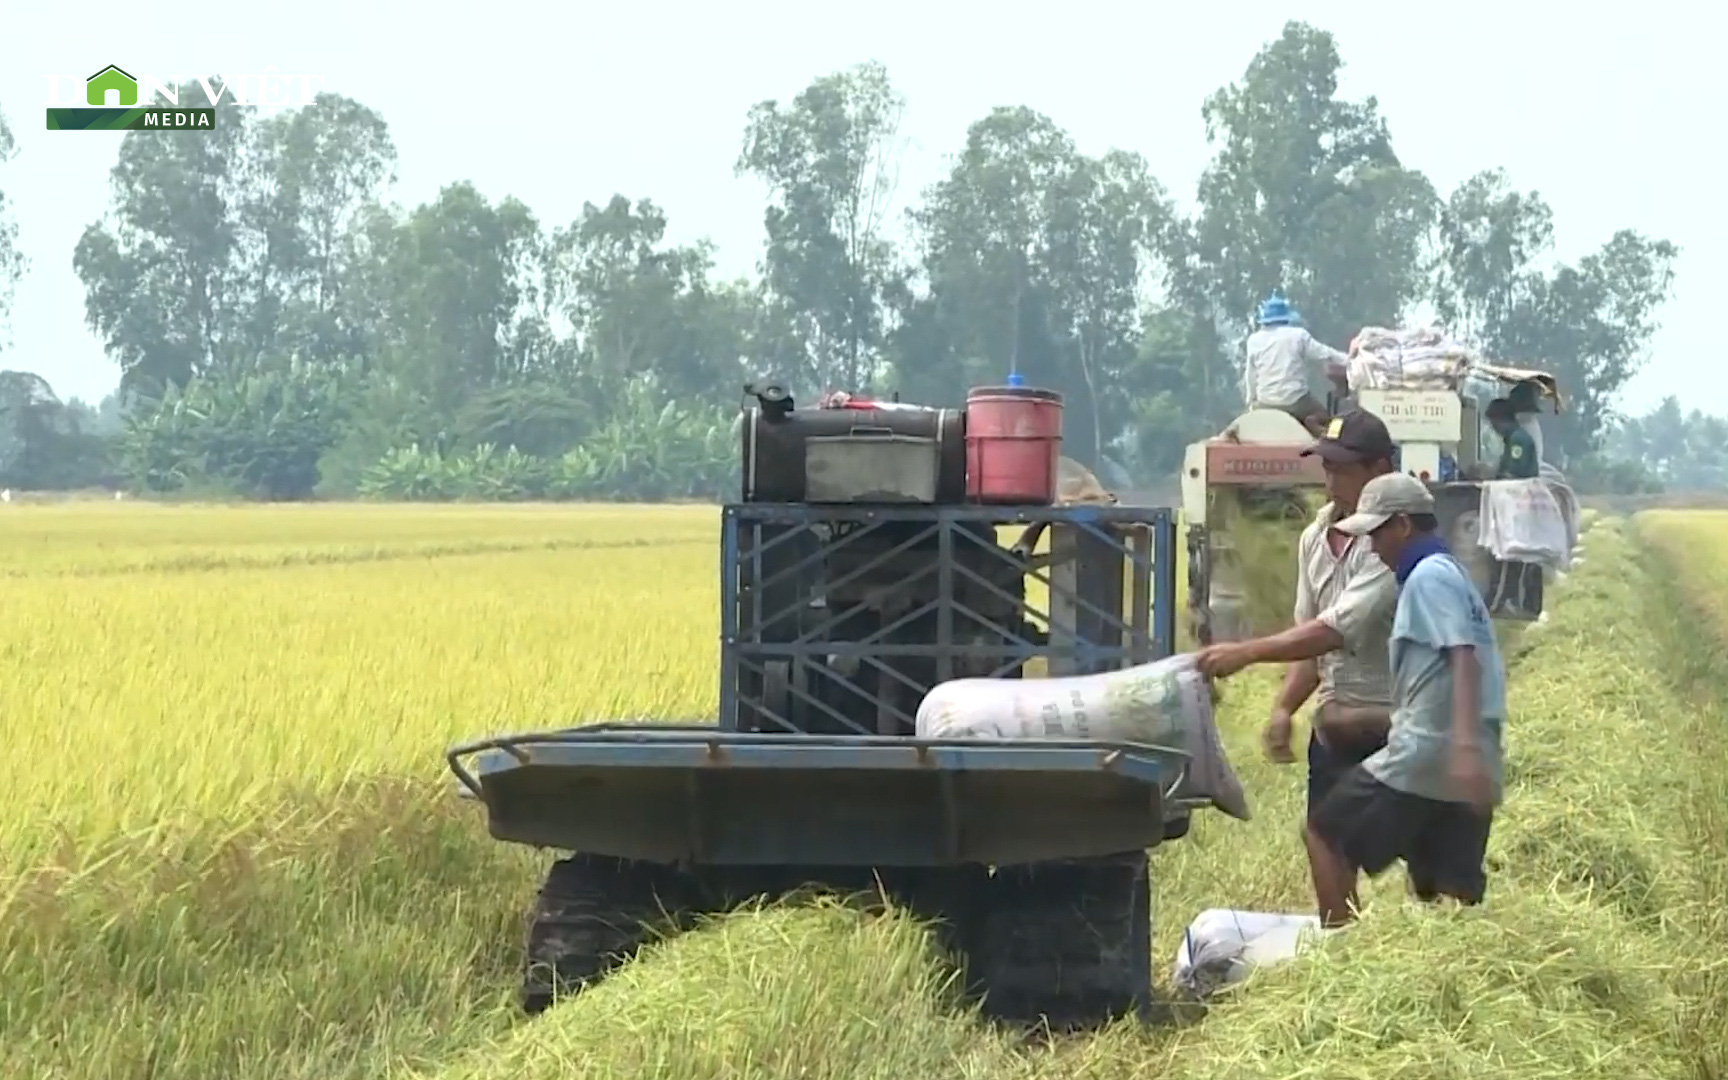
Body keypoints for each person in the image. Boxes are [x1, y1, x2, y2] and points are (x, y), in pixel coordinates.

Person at [1303, 472, 1507, 927]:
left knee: (1323, 830)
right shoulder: (1453, 574)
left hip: (1428, 756)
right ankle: (1445, 974)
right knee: (1445, 895)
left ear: (1402, 525)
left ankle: (1341, 958)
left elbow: (1463, 659)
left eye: (1377, 533)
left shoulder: (1427, 579)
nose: (1374, 547)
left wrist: (1463, 753)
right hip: (1468, 754)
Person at [1195, 410, 1399, 817]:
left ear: (1379, 470)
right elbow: (1311, 643)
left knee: (1418, 864)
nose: (1329, 482)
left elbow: (1332, 632)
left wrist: (1246, 652)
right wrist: (1284, 708)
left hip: (1397, 723)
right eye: (1326, 468)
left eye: (1341, 470)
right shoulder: (1314, 537)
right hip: (1336, 725)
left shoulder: (1393, 540)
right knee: (1325, 844)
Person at [1243, 293, 1352, 437]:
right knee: (1328, 420)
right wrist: (1350, 360)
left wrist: (1251, 401)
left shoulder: (1253, 340)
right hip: (1297, 402)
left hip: (1265, 402)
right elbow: (1325, 354)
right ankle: (1315, 426)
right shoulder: (1298, 336)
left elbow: (1251, 375)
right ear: (1286, 317)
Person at [1486, 398, 1539, 480]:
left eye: (1494, 423)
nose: (1494, 428)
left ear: (1502, 419)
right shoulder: (1512, 438)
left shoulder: (1517, 440)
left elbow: (1514, 473)